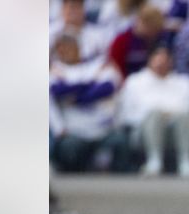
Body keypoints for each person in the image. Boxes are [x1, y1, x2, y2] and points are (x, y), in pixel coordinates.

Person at [50, 34, 131, 173]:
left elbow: (108, 86)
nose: (66, 52)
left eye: (70, 47)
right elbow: (56, 89)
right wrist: (91, 84)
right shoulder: (55, 69)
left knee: (121, 141)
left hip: (102, 126)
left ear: (79, 48)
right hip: (74, 129)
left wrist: (78, 98)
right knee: (69, 150)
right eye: (62, 49)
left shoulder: (97, 64)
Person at [117, 45, 189, 177]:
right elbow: (126, 114)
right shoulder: (134, 81)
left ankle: (186, 162)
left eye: (165, 60)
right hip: (143, 131)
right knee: (155, 114)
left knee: (186, 115)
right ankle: (154, 161)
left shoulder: (184, 82)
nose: (161, 64)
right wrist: (156, 115)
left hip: (176, 130)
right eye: (158, 60)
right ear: (149, 60)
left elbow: (188, 108)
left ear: (171, 62)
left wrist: (166, 116)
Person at [106, 5, 170, 77]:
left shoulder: (159, 38)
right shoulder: (121, 41)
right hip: (128, 81)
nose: (153, 33)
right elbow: (116, 68)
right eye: (151, 29)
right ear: (142, 23)